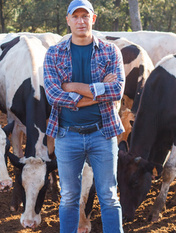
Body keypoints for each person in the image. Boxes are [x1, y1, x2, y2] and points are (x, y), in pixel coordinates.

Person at [43, 0, 125, 232]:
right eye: (75, 16)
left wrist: (72, 86)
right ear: (68, 20)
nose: (81, 21)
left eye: (85, 16)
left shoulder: (110, 51)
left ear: (93, 19)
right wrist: (99, 90)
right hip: (67, 136)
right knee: (68, 195)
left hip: (103, 133)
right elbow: (54, 95)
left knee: (109, 195)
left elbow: (117, 90)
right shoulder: (54, 53)